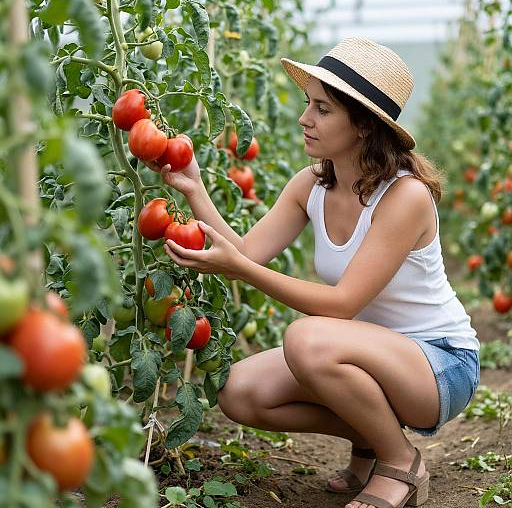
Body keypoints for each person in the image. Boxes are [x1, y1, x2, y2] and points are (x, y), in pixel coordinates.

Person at [158, 38, 480, 508]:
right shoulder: (312, 184)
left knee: (306, 339)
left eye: (323, 108)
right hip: (365, 356)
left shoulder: (404, 197)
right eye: (310, 104)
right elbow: (247, 251)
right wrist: (195, 190)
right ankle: (371, 439)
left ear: (365, 125)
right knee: (240, 392)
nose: (305, 118)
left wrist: (242, 270)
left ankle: (400, 463)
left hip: (439, 364)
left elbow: (342, 303)